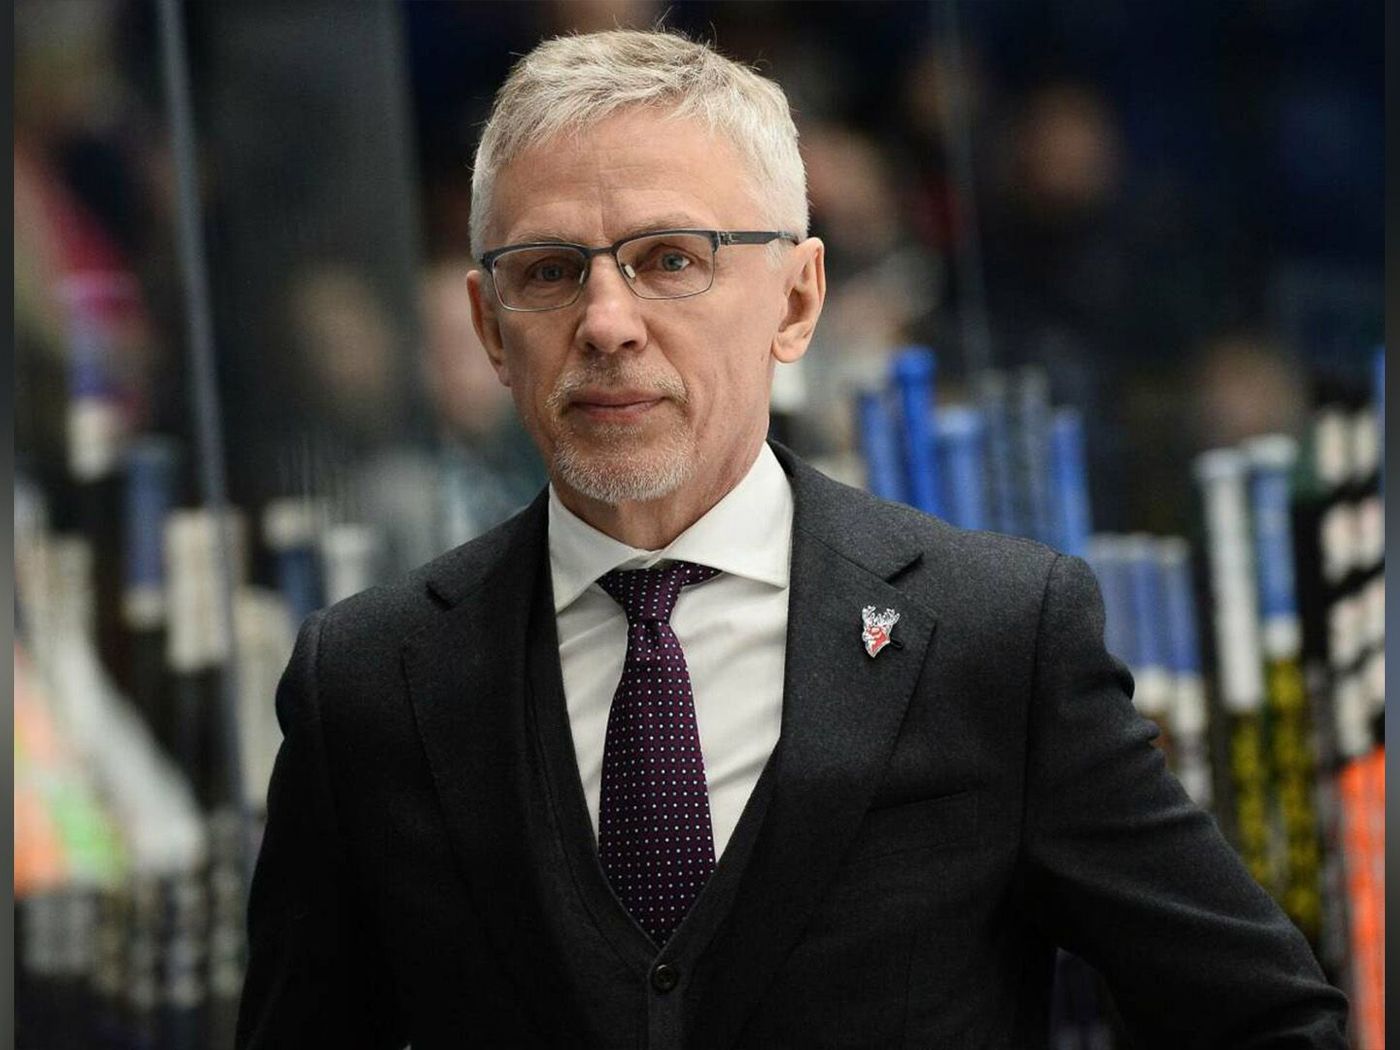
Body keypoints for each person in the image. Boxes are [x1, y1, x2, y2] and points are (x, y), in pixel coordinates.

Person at [236, 28, 1346, 1050]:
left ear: (797, 300)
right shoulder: (370, 685)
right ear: (489, 326)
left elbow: (1265, 1023)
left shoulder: (993, 638)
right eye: (549, 271)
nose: (606, 322)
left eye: (671, 258)